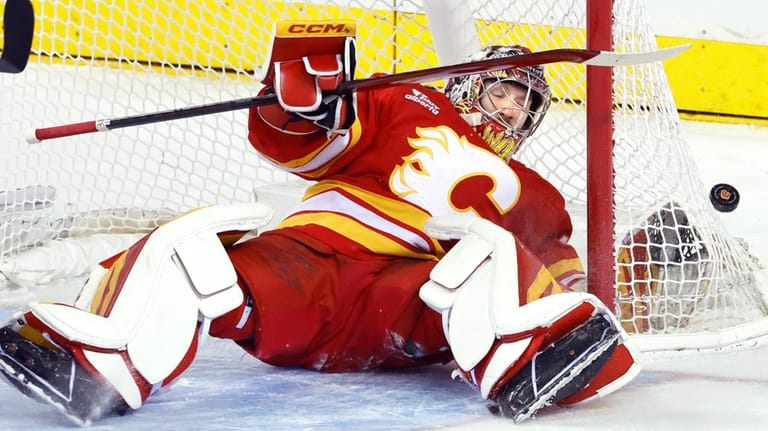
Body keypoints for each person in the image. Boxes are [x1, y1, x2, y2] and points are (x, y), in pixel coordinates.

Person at [0, 20, 641, 425]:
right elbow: (308, 144)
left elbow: (556, 278)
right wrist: (303, 105)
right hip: (298, 272)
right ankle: (103, 367)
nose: (514, 112)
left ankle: (524, 366)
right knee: (186, 244)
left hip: (411, 304)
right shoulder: (408, 100)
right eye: (505, 92)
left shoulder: (536, 194)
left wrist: (587, 313)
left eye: (528, 106)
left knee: (488, 256)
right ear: (473, 84)